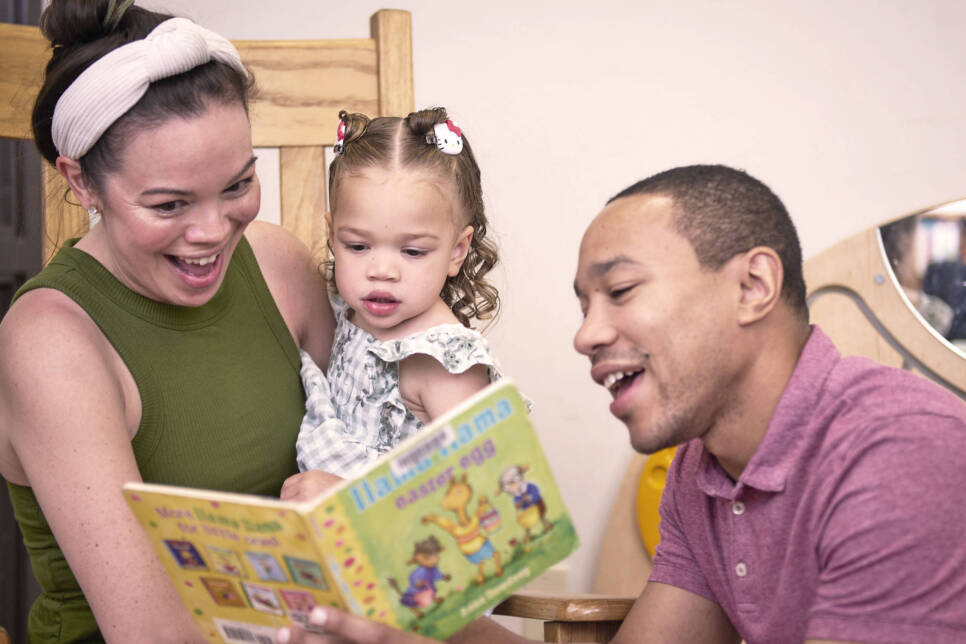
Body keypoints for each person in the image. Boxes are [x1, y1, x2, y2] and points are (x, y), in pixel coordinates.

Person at [278, 164, 966, 644]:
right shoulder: (702, 474)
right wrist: (409, 620)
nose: (585, 334)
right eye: (583, 305)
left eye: (622, 291)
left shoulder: (899, 451)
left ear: (753, 285)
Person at [0, 1, 333, 642]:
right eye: (169, 203)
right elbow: (153, 633)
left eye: (238, 184)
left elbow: (370, 442)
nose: (211, 232)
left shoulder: (278, 266)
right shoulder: (51, 340)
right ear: (81, 182)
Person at [280, 108, 509, 502]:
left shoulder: (441, 361)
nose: (381, 270)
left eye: (413, 251)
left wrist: (348, 496)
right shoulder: (344, 313)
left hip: (406, 553)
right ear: (332, 235)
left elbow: (483, 492)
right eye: (357, 246)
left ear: (458, 250)